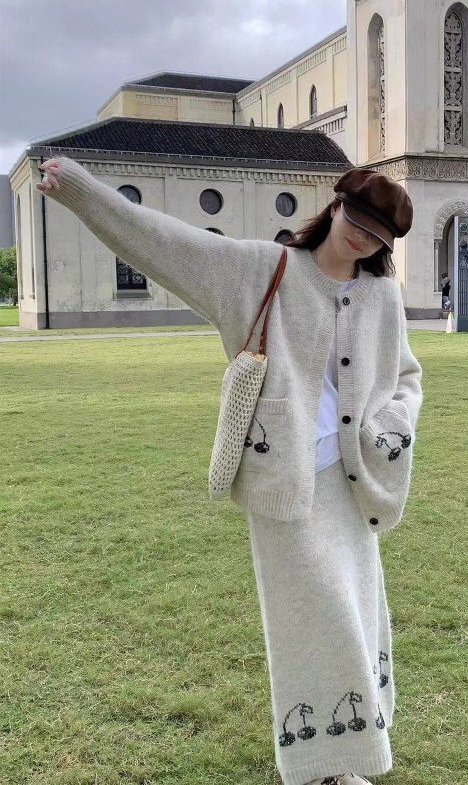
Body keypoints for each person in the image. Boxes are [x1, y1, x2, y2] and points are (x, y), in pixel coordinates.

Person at [37, 157, 423, 785]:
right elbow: (165, 243)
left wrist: (394, 425)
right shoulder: (261, 270)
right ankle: (320, 765)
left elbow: (406, 376)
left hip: (355, 487)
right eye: (357, 220)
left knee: (355, 613)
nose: (363, 238)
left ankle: (348, 756)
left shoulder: (382, 298)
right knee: (315, 620)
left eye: (378, 235)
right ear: (336, 207)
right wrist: (81, 191)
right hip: (285, 484)